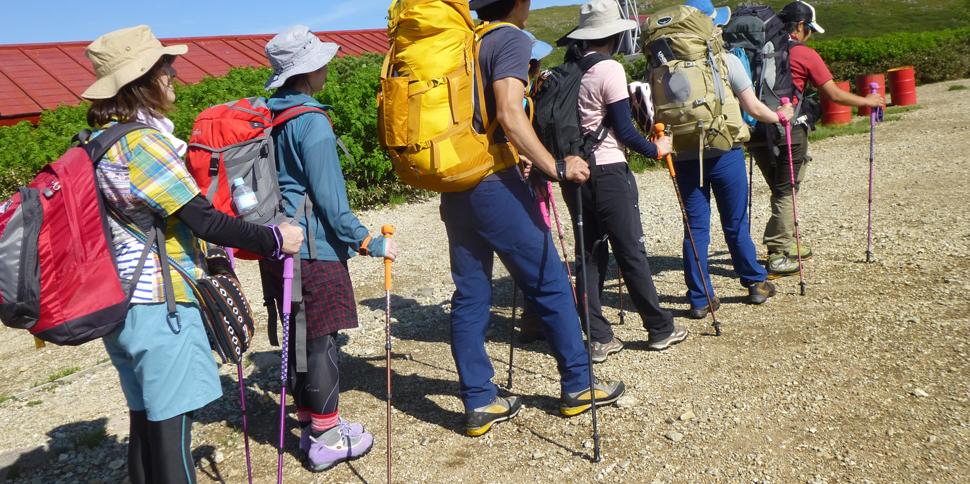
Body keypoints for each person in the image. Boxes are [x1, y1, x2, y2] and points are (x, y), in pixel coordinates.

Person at [81, 25, 304, 484]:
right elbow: (204, 220)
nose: (174, 75)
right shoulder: (143, 143)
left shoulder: (95, 140)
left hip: (118, 301)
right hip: (160, 303)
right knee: (172, 433)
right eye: (165, 67)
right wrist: (275, 239)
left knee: (146, 425)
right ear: (142, 79)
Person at [445, 0, 626, 437]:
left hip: (455, 181)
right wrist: (554, 166)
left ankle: (479, 400)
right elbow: (508, 112)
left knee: (471, 293)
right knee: (550, 280)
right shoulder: (508, 37)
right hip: (492, 182)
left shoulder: (463, 43)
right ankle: (579, 385)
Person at [259, 25, 400, 472]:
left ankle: (311, 426)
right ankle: (327, 439)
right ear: (308, 70)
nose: (327, 68)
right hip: (313, 249)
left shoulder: (270, 114)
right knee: (320, 342)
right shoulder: (312, 121)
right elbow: (330, 202)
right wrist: (369, 241)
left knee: (299, 338)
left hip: (276, 244)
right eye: (322, 62)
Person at [559, 0, 687, 362]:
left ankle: (598, 337)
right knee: (631, 251)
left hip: (574, 174)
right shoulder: (609, 69)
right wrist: (656, 149)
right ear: (614, 37)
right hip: (609, 172)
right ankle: (659, 328)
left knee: (589, 254)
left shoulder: (566, 70)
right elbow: (625, 130)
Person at [671, 0, 795, 319]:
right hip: (725, 152)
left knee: (695, 228)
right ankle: (754, 283)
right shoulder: (726, 60)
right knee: (735, 222)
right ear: (709, 25)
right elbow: (753, 108)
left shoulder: (665, 66)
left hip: (684, 154)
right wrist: (781, 116)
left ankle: (700, 299)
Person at [751, 0, 885, 277]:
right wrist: (867, 101)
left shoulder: (756, 49)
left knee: (779, 187)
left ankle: (786, 242)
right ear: (800, 26)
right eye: (810, 29)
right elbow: (833, 94)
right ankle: (778, 253)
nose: (810, 35)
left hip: (756, 130)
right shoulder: (804, 54)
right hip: (788, 130)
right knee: (786, 190)